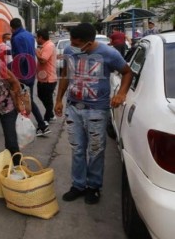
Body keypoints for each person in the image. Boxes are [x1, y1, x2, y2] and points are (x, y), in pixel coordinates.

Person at [55, 23, 132, 205]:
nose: (72, 45)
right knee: (78, 149)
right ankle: (78, 185)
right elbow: (66, 74)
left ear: (89, 43)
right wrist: (59, 100)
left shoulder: (110, 54)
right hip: (73, 108)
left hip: (97, 109)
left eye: (76, 42)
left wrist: (121, 93)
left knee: (96, 150)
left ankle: (94, 187)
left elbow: (127, 72)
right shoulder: (69, 51)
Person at [9, 18, 50, 136]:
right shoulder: (29, 35)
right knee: (28, 99)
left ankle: (26, 126)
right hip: (31, 72)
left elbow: (20, 57)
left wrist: (12, 69)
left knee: (17, 99)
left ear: (12, 28)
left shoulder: (16, 38)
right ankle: (41, 125)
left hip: (22, 73)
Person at [35, 29, 57, 124]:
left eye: (37, 37)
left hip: (49, 79)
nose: (36, 39)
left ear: (40, 37)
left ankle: (46, 119)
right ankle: (51, 114)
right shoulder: (44, 46)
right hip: (42, 78)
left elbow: (43, 60)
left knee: (48, 100)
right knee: (40, 96)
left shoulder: (49, 46)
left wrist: (37, 53)